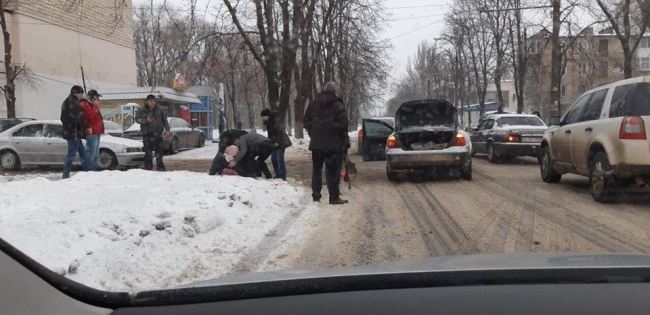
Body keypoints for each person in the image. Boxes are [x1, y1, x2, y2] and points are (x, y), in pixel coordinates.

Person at [303, 82, 349, 205]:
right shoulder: (338, 105)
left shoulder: (313, 104)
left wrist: (313, 134)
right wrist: (344, 145)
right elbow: (344, 126)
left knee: (317, 170)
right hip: (333, 145)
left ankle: (316, 196)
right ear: (335, 91)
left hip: (317, 144)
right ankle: (333, 197)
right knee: (332, 172)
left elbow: (306, 121)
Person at [60, 85, 92, 179]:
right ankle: (65, 175)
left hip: (71, 131)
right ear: (78, 94)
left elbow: (63, 118)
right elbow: (79, 118)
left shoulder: (67, 101)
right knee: (72, 154)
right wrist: (87, 126)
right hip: (73, 132)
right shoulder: (74, 103)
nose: (82, 96)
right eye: (81, 94)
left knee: (83, 153)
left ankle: (89, 171)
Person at [136, 94, 171, 171]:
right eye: (151, 101)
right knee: (148, 154)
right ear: (147, 101)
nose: (153, 103)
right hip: (147, 135)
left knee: (159, 153)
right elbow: (137, 119)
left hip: (158, 134)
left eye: (154, 101)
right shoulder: (142, 109)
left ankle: (160, 168)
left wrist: (167, 130)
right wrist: (146, 120)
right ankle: (148, 168)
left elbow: (165, 120)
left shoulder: (160, 109)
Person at [261, 108, 292, 180]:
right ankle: (278, 174)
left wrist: (277, 141)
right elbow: (270, 134)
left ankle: (282, 176)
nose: (263, 119)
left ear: (267, 115)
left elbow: (279, 131)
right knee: (274, 159)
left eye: (263, 117)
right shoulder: (269, 122)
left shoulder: (275, 120)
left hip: (281, 142)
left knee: (280, 159)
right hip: (273, 142)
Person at [80, 90, 104, 171]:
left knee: (96, 154)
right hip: (91, 131)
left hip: (97, 131)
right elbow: (90, 116)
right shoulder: (85, 104)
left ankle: (94, 169)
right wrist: (96, 106)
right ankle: (89, 170)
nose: (98, 100)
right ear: (92, 97)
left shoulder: (91, 104)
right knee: (91, 153)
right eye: (97, 98)